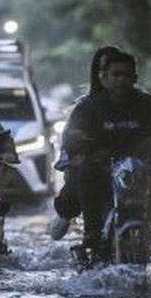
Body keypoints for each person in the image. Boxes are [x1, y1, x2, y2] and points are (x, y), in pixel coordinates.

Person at [49, 49, 151, 257]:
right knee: (81, 179)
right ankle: (91, 234)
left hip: (139, 173)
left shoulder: (149, 104)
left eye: (127, 75)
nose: (121, 80)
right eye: (116, 75)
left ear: (135, 78)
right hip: (98, 168)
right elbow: (73, 138)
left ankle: (150, 209)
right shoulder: (87, 108)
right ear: (103, 77)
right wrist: (81, 155)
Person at [49, 45, 121, 240]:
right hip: (92, 165)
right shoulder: (83, 107)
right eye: (102, 70)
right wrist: (79, 155)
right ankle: (79, 225)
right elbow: (70, 142)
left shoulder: (139, 104)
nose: (107, 76)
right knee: (79, 180)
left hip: (125, 164)